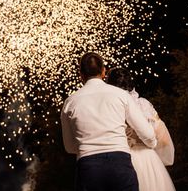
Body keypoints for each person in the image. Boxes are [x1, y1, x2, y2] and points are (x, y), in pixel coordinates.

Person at [60, 52, 157, 191]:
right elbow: (147, 134)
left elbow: (69, 147)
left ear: (80, 74)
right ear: (104, 71)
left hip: (89, 168)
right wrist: (152, 144)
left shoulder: (70, 102)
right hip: (120, 165)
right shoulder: (121, 95)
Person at [106, 67, 175, 191]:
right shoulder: (143, 104)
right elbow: (162, 137)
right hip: (147, 159)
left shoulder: (109, 108)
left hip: (119, 159)